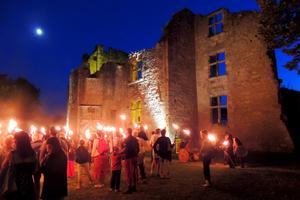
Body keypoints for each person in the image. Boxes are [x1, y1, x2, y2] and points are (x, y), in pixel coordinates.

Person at [1, 131, 37, 200]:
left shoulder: (12, 154)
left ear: (18, 142)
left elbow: (3, 168)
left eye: (15, 141)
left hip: (15, 187)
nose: (14, 143)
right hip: (29, 186)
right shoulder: (33, 154)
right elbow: (35, 171)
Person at [120, 128, 139, 194]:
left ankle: (130, 187)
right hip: (135, 157)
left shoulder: (127, 140)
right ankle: (134, 186)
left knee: (128, 173)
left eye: (125, 131)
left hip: (129, 158)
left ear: (127, 132)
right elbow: (138, 148)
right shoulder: (135, 139)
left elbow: (125, 149)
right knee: (134, 172)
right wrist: (136, 154)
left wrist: (119, 153)